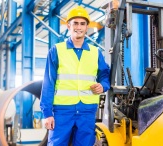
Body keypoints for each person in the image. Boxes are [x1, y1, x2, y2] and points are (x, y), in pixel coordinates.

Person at [40, 6, 110, 146]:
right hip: (62, 110)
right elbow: (48, 83)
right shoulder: (57, 51)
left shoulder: (95, 52)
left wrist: (103, 86)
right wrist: (47, 113)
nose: (79, 27)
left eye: (82, 23)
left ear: (87, 27)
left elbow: (105, 75)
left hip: (87, 110)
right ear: (68, 26)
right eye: (75, 23)